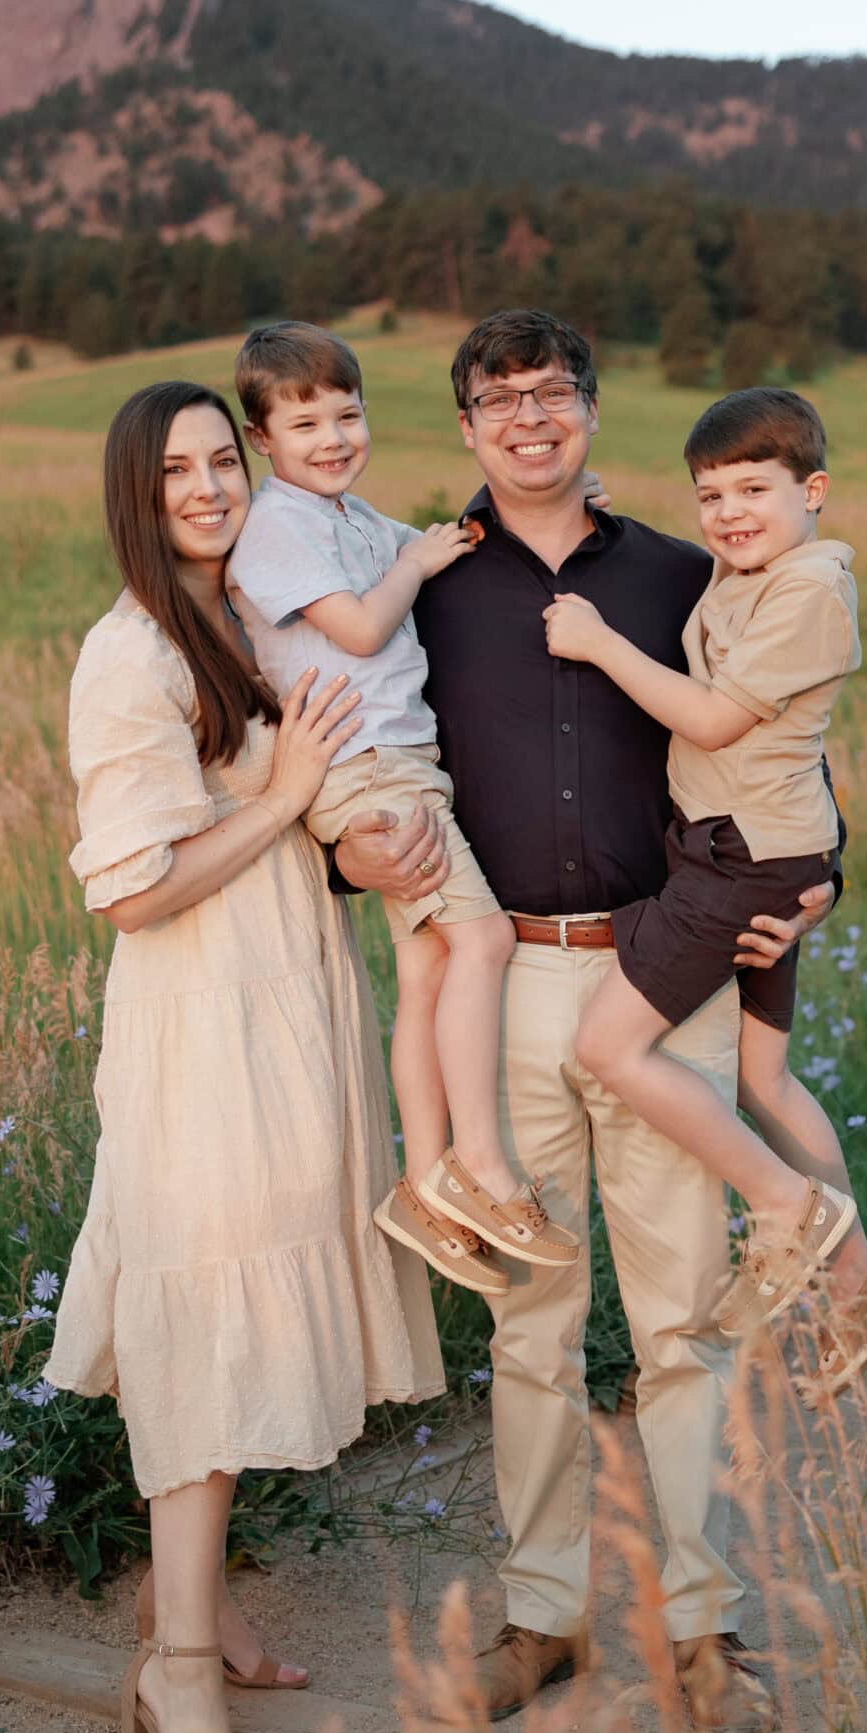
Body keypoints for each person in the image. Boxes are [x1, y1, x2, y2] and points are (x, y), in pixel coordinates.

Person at [333, 310, 837, 1733]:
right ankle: (539, 1618)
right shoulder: (423, 585)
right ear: (468, 428)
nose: (527, 419)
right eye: (497, 400)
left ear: (591, 410)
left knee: (681, 1323)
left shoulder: (688, 572)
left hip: (656, 973)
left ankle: (701, 1631)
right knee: (530, 1326)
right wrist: (353, 853)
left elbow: (789, 744)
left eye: (550, 393)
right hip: (503, 979)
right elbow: (361, 753)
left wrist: (822, 878)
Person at [44, 380, 445, 1733]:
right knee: (212, 1330)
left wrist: (355, 850)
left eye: (223, 459)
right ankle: (181, 1684)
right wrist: (283, 804)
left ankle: (178, 1597)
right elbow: (138, 892)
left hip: (292, 1007)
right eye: (175, 473)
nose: (208, 488)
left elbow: (298, 815)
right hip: (201, 1030)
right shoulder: (129, 652)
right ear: (133, 497)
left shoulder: (249, 619)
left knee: (258, 1307)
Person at [544, 387, 867, 1401]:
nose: (728, 513)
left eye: (753, 489)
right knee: (764, 1080)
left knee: (605, 1046)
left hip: (742, 865)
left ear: (817, 492)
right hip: (772, 856)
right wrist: (606, 512)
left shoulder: (811, 593)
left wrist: (599, 641)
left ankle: (786, 1207)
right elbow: (718, 580)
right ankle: (861, 1288)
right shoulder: (757, 570)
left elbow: (711, 718)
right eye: (711, 494)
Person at [227, 321, 578, 1293]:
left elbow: (451, 546)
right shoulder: (276, 527)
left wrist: (562, 505)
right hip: (366, 769)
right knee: (486, 941)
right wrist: (415, 566)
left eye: (349, 413)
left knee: (428, 968)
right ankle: (485, 1165)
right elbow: (365, 617)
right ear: (264, 440)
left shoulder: (348, 516)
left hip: (404, 762)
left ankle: (425, 1182)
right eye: (307, 424)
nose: (335, 437)